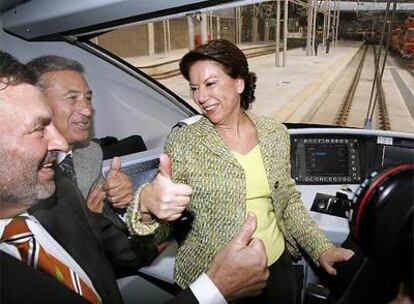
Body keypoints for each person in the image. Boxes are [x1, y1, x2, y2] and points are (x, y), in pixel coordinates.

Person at [0, 50, 269, 304]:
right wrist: (215, 288)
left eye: (88, 98)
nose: (58, 143)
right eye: (38, 127)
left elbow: (98, 254)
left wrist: (132, 206)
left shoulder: (60, 182)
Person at [127, 39, 354, 304]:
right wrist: (146, 208)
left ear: (239, 83)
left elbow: (288, 202)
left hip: (276, 268)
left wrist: (322, 249)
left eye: (210, 84)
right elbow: (163, 225)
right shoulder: (184, 142)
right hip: (214, 277)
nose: (200, 97)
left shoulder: (275, 134)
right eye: (194, 88)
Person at [27, 56, 132, 231]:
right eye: (72, 98)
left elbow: (107, 218)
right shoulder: (23, 169)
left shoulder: (90, 153)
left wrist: (120, 202)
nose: (87, 110)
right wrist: (86, 222)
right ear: (37, 104)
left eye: (88, 98)